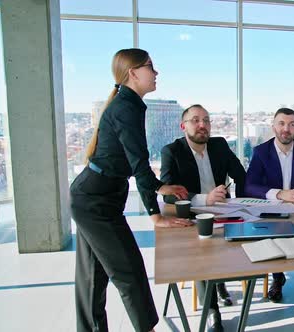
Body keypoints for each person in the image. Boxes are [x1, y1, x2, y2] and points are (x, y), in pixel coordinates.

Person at [70, 48, 191, 332]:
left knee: (93, 279)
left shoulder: (130, 104)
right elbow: (140, 167)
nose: (156, 72)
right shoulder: (126, 107)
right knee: (130, 272)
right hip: (94, 201)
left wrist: (158, 196)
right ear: (133, 73)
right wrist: (159, 195)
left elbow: (137, 166)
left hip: (97, 197)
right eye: (150, 66)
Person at [160, 104, 246, 331]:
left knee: (243, 240)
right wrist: (203, 199)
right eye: (196, 120)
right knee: (201, 253)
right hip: (193, 215)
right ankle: (212, 312)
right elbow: (168, 195)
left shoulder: (219, 145)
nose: (202, 125)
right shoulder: (172, 151)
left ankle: (219, 281)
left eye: (206, 120)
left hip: (222, 211)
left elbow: (241, 175)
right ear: (183, 126)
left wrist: (244, 201)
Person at [245, 108, 294, 319]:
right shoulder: (261, 152)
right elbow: (249, 187)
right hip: (271, 209)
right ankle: (278, 278)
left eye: (291, 124)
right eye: (281, 124)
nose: (286, 129)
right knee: (276, 235)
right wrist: (280, 194)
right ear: (274, 127)